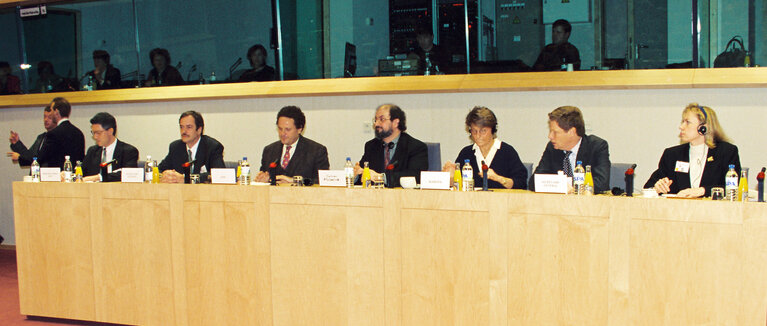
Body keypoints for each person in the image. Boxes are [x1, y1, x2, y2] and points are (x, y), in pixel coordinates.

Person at [645, 104, 741, 198]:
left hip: (714, 211)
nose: (681, 127)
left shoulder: (726, 152)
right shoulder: (672, 155)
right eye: (682, 122)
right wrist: (656, 188)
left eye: (687, 122)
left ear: (703, 128)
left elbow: (733, 188)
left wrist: (701, 191)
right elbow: (647, 187)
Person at [529, 106, 610, 193]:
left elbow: (601, 183)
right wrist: (561, 185)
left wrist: (567, 185)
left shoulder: (597, 146)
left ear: (572, 132)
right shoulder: (552, 148)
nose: (550, 136)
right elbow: (534, 182)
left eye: (555, 132)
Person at [442, 106, 527, 189]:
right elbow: (457, 186)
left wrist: (498, 178)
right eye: (474, 131)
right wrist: (450, 177)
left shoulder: (507, 152)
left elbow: (521, 183)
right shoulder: (466, 153)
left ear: (492, 130)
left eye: (483, 131)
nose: (478, 135)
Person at [353, 103, 428, 187]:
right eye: (375, 120)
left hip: (403, 198)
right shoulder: (371, 146)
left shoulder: (415, 147)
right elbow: (364, 176)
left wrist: (380, 178)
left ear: (396, 122)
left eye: (382, 119)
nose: (376, 124)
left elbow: (416, 176)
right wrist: (355, 175)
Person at [255, 106, 329, 184]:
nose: (283, 133)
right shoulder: (269, 150)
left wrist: (295, 181)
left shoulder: (316, 151)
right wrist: (263, 179)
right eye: (280, 129)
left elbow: (322, 181)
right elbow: (265, 177)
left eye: (288, 129)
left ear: (299, 129)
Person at [158, 111, 225, 183]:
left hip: (204, 192)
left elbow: (220, 175)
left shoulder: (213, 147)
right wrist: (166, 175)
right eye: (181, 127)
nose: (184, 131)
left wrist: (186, 179)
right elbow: (159, 170)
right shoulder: (176, 147)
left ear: (199, 130)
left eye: (189, 127)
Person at [79, 112, 139, 182]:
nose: (95, 137)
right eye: (93, 133)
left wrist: (98, 177)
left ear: (110, 131)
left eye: (98, 133)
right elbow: (81, 173)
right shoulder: (92, 151)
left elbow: (128, 174)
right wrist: (69, 175)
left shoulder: (128, 151)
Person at [36, 97, 85, 168]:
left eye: (52, 110)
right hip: (75, 175)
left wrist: (21, 158)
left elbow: (41, 157)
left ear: (56, 112)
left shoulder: (53, 134)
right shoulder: (79, 133)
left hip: (57, 176)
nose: (51, 113)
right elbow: (80, 159)